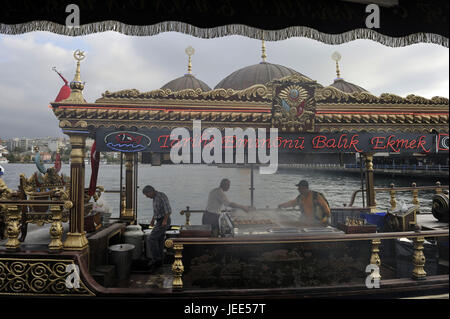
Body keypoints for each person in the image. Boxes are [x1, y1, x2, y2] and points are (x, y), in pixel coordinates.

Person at [142, 185, 171, 271]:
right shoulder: (154, 198)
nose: (147, 197)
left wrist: (165, 220)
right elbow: (157, 211)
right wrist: (152, 220)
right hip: (159, 220)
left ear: (151, 191)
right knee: (160, 240)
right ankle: (160, 261)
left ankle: (156, 259)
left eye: (147, 195)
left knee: (151, 239)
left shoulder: (161, 196)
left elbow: (168, 210)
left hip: (163, 220)